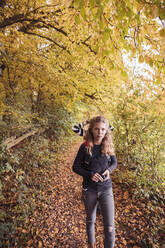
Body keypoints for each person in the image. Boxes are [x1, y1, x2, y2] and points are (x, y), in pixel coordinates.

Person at [72, 116, 117, 248]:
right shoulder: (85, 146)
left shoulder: (108, 145)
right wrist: (89, 174)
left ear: (106, 130)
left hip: (106, 189)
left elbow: (114, 162)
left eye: (103, 129)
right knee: (91, 220)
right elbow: (76, 167)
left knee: (109, 227)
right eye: (96, 129)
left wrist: (109, 170)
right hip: (89, 190)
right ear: (91, 130)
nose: (100, 132)